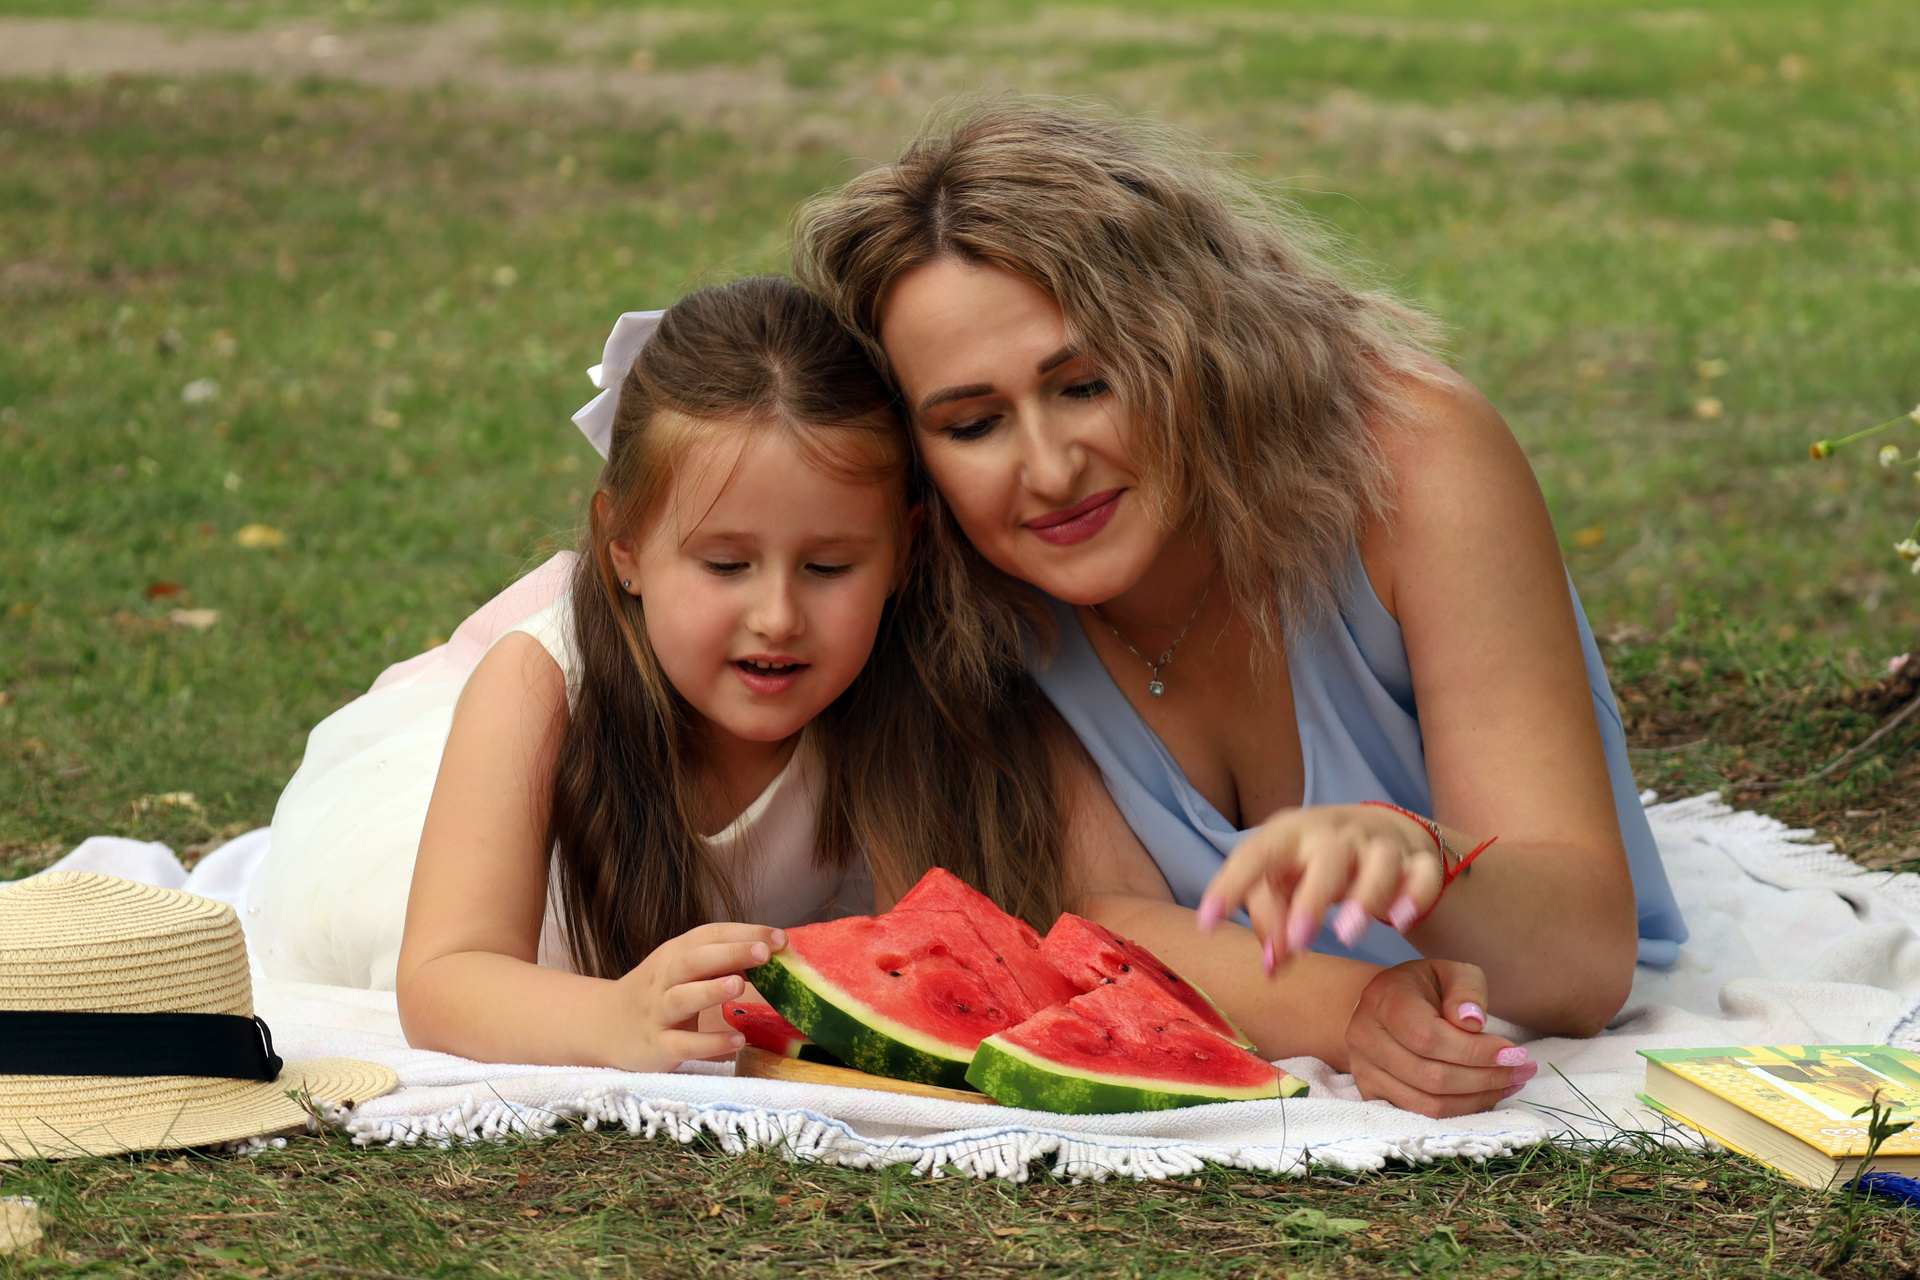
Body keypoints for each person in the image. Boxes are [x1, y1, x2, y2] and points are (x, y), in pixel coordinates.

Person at [797, 100, 1687, 1117]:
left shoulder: (1416, 461)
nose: (1048, 470)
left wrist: (1425, 865)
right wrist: (1362, 1012)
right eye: (973, 424)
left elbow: (1581, 963)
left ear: (1190, 341)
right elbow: (1107, 923)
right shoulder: (968, 587)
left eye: (1086, 385)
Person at [251, 277, 1074, 1070]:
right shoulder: (540, 685)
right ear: (626, 547)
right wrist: (614, 1017)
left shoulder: (895, 683)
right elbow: (441, 983)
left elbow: (914, 954)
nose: (778, 616)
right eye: (726, 565)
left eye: (828, 568)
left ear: (904, 548)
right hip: (467, 914)